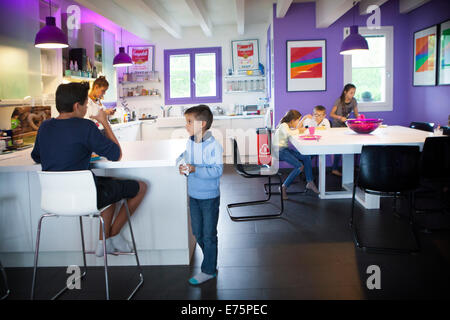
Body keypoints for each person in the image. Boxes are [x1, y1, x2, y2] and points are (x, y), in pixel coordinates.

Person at [31, 82, 147, 257]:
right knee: (141, 187)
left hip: (54, 200)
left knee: (110, 190)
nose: (87, 108)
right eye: (86, 104)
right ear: (77, 106)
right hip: (85, 197)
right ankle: (112, 235)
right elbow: (116, 154)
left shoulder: (45, 127)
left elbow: (36, 157)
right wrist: (104, 122)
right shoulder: (85, 126)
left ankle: (104, 242)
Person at [177, 105, 223, 285]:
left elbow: (217, 170)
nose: (186, 125)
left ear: (202, 124)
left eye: (189, 122)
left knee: (209, 234)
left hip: (210, 197)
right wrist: (182, 165)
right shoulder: (190, 142)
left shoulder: (214, 146)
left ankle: (209, 269)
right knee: (198, 233)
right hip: (194, 195)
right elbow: (184, 157)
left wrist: (196, 169)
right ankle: (210, 260)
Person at [273, 109, 319, 200]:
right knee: (299, 166)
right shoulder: (283, 125)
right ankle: (283, 187)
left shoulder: (286, 125)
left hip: (284, 149)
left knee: (306, 157)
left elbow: (295, 129)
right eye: (298, 120)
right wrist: (300, 130)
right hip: (279, 151)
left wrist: (302, 122)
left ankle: (310, 182)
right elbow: (289, 133)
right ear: (292, 120)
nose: (298, 122)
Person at [329, 83, 359, 176]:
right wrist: (339, 117)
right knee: (338, 148)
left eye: (354, 93)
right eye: (351, 93)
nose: (352, 95)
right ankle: (334, 169)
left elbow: (357, 114)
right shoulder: (339, 101)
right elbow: (331, 114)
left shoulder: (353, 101)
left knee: (350, 147)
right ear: (345, 92)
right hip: (337, 126)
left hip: (346, 127)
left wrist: (359, 119)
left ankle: (349, 169)